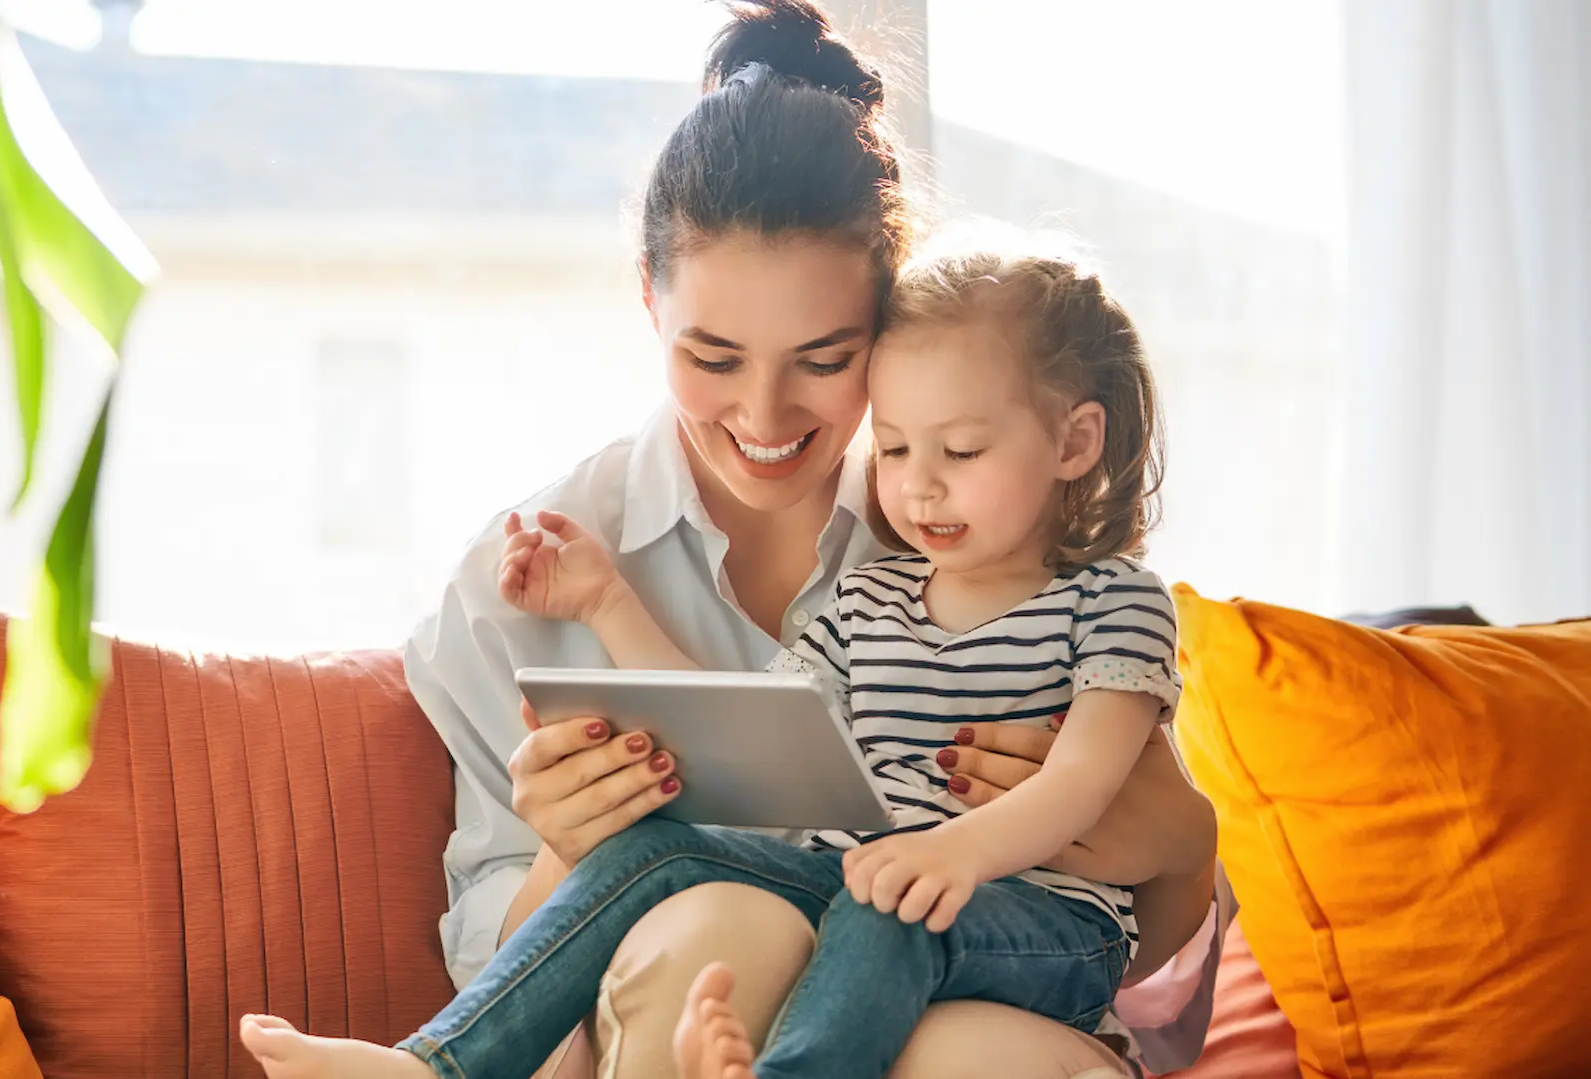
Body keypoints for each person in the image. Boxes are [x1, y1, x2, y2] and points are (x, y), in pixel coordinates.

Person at [243, 2, 1221, 1076]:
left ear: (891, 325)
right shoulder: (523, 582)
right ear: (650, 300)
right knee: (712, 923)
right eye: (713, 357)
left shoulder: (990, 543)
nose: (763, 416)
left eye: (823, 356)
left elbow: (1145, 961)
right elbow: (739, 752)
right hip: (690, 985)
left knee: (948, 1030)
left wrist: (1181, 845)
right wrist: (574, 830)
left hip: (984, 980)